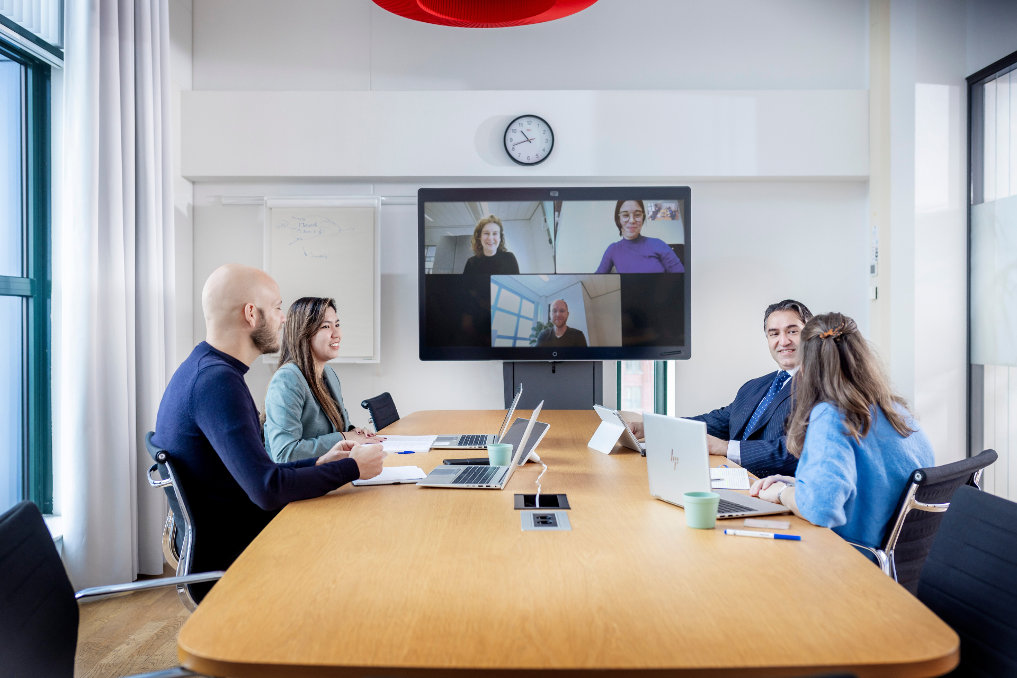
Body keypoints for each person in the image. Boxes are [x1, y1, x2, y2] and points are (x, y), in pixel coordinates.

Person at [151, 264, 386, 587]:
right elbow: (266, 489)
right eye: (276, 307)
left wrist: (319, 462)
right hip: (233, 551)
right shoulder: (217, 383)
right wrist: (352, 469)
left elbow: (261, 471)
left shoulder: (207, 370)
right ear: (251, 314)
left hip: (236, 529)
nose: (284, 318)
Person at [749, 313, 935, 551]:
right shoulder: (896, 410)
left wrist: (781, 492)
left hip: (850, 559)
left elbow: (821, 511)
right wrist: (801, 486)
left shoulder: (830, 416)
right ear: (862, 356)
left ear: (806, 366)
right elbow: (875, 481)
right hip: (901, 559)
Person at [628, 299, 811, 478]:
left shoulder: (822, 387)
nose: (784, 341)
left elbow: (800, 450)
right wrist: (649, 429)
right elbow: (715, 422)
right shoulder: (754, 386)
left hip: (774, 491)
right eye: (774, 334)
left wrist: (724, 448)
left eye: (792, 331)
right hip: (730, 478)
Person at [264, 297, 380, 463]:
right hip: (298, 483)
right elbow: (285, 455)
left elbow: (339, 428)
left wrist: (356, 432)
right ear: (303, 332)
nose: (337, 334)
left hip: (329, 475)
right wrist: (343, 437)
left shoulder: (329, 374)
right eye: (326, 326)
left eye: (337, 325)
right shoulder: (287, 380)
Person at [595, 200, 684, 274]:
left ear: (643, 218)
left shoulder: (659, 244)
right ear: (618, 220)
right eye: (625, 215)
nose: (632, 220)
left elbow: (682, 278)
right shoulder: (613, 249)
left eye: (637, 215)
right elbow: (596, 279)